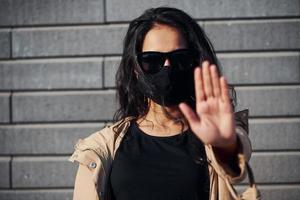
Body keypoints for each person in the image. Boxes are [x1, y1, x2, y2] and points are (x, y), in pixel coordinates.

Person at [69, 7, 252, 200]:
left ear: (194, 63)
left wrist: (224, 146)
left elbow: (235, 166)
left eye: (179, 58)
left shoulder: (213, 133)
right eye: (152, 60)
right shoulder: (101, 147)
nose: (167, 68)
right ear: (135, 68)